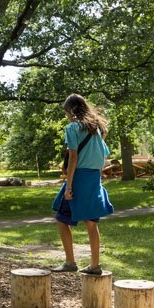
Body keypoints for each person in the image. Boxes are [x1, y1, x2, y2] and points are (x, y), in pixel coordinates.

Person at [51, 94, 114, 275]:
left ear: (72, 110)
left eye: (66, 113)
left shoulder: (73, 128)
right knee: (91, 223)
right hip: (94, 179)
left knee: (62, 219)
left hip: (78, 177)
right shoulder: (97, 129)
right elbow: (103, 157)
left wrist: (69, 186)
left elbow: (73, 157)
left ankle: (70, 262)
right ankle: (95, 266)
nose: (67, 117)